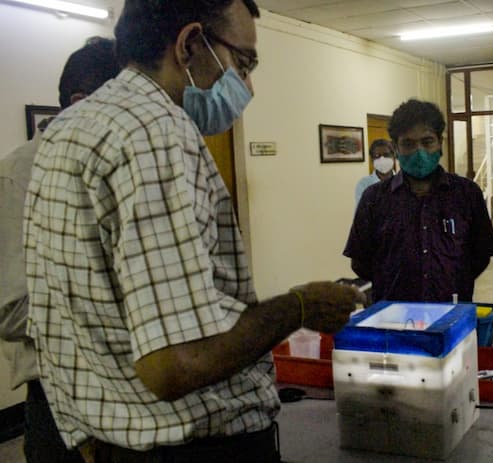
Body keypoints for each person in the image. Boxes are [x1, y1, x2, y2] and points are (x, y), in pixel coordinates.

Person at [23, 1, 362, 461]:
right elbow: (175, 366)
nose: (248, 87)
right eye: (243, 63)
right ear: (188, 44)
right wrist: (300, 306)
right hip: (189, 446)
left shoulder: (66, 130)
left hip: (107, 440)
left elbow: (53, 319)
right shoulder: (156, 133)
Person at [0, 37, 120, 463]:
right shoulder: (18, 178)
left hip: (134, 391)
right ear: (80, 102)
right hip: (61, 399)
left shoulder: (114, 166)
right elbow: (11, 308)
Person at [344, 99, 493, 302]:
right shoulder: (374, 198)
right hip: (393, 318)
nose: (419, 152)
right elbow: (360, 262)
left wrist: (453, 281)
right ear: (396, 148)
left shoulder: (467, 194)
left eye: (427, 142)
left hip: (452, 315)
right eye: (408, 144)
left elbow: (481, 256)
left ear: (440, 144)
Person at [354, 139, 395, 207]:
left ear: (393, 156)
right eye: (377, 156)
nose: (382, 159)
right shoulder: (364, 184)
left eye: (386, 155)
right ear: (372, 160)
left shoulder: (403, 182)